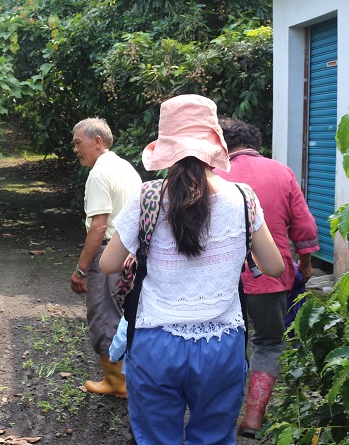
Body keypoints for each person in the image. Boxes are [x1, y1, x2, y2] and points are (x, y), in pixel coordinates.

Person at [99, 94, 285, 444]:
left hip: (156, 343)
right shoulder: (243, 198)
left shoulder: (149, 196)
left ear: (165, 145)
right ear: (216, 142)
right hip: (222, 344)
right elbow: (274, 266)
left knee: (156, 438)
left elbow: (108, 263)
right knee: (213, 437)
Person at [215, 117, 319, 438]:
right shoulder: (281, 173)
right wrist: (306, 264)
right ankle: (253, 418)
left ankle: (218, 414)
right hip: (269, 280)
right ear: (254, 145)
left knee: (224, 341)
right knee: (269, 342)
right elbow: (305, 228)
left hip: (221, 280)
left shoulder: (211, 176)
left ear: (223, 147)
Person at [69, 118, 142, 398]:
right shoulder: (125, 167)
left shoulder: (99, 174)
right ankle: (127, 376)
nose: (75, 149)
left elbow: (99, 227)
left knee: (103, 314)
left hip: (110, 250)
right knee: (125, 313)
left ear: (97, 141)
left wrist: (81, 269)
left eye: (78, 143)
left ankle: (115, 381)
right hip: (132, 251)